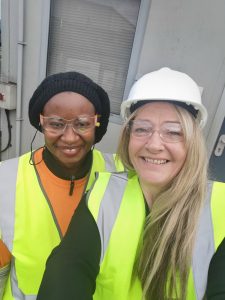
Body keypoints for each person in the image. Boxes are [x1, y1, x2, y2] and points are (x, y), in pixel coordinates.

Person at [37, 67, 225, 300]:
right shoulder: (103, 195)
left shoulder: (221, 208)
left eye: (173, 132)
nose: (154, 144)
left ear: (193, 142)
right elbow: (68, 270)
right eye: (142, 129)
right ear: (128, 137)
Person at [0, 71, 124, 299]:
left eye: (82, 124)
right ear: (41, 122)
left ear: (97, 124)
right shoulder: (4, 180)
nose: (69, 137)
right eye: (56, 124)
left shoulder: (121, 174)